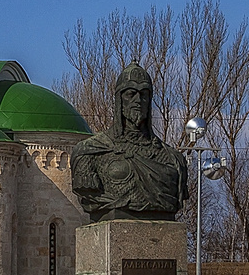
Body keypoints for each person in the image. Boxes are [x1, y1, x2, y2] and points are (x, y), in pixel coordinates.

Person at [70, 62, 189, 221]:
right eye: (131, 94)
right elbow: (90, 196)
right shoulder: (89, 152)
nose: (138, 100)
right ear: (120, 100)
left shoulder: (173, 159)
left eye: (144, 94)